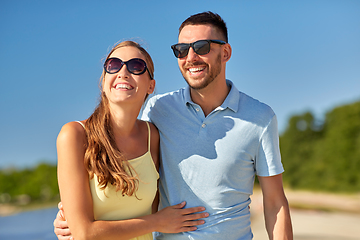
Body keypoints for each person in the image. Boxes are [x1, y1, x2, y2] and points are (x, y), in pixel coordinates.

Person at [55, 12, 293, 239]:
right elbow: (123, 178)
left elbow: (274, 203)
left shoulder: (260, 118)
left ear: (226, 52)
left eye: (202, 47)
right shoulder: (158, 111)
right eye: (182, 50)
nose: (191, 58)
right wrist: (71, 217)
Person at [55, 40, 209, 240]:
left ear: (151, 86)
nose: (123, 72)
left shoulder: (151, 136)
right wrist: (158, 222)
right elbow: (84, 233)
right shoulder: (75, 135)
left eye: (136, 66)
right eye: (113, 65)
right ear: (103, 82)